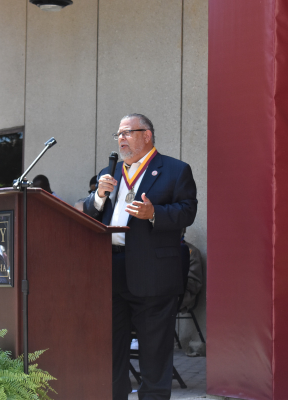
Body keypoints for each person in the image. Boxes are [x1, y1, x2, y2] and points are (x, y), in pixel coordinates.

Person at [84, 113, 197, 399]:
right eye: (118, 134)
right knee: (110, 350)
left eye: (127, 132)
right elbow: (90, 212)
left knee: (154, 352)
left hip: (153, 274)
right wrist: (98, 195)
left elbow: (188, 211)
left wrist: (154, 213)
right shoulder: (109, 173)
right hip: (111, 269)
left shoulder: (174, 170)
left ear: (146, 135)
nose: (120, 138)